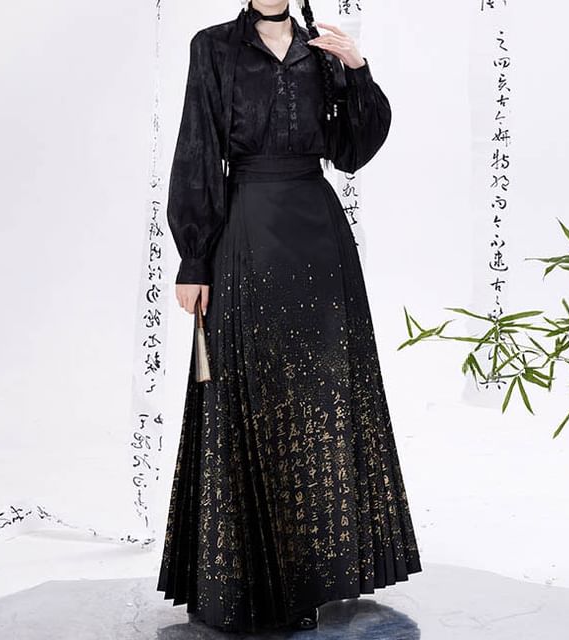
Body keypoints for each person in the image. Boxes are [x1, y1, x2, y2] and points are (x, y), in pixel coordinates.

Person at [156, 0, 422, 633]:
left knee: (322, 398)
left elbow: (352, 151)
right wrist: (194, 258)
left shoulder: (321, 50)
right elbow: (198, 147)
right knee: (249, 394)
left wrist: (356, 68)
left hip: (319, 237)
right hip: (245, 229)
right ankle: (249, 582)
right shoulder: (213, 46)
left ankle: (322, 575)